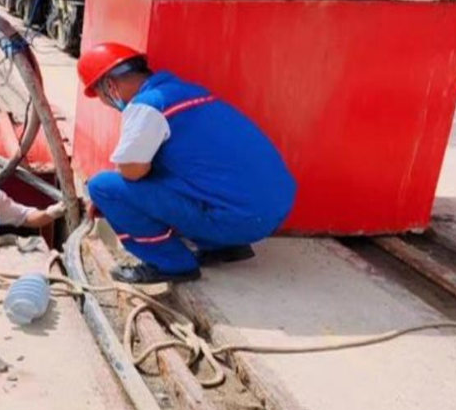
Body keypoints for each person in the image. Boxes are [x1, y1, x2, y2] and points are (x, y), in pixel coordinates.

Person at [77, 42, 296, 284]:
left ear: (110, 86)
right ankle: (224, 247)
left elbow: (131, 172)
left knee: (102, 187)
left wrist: (109, 200)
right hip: (271, 211)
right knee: (177, 173)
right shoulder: (189, 92)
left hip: (239, 219)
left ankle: (171, 264)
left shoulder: (146, 106)